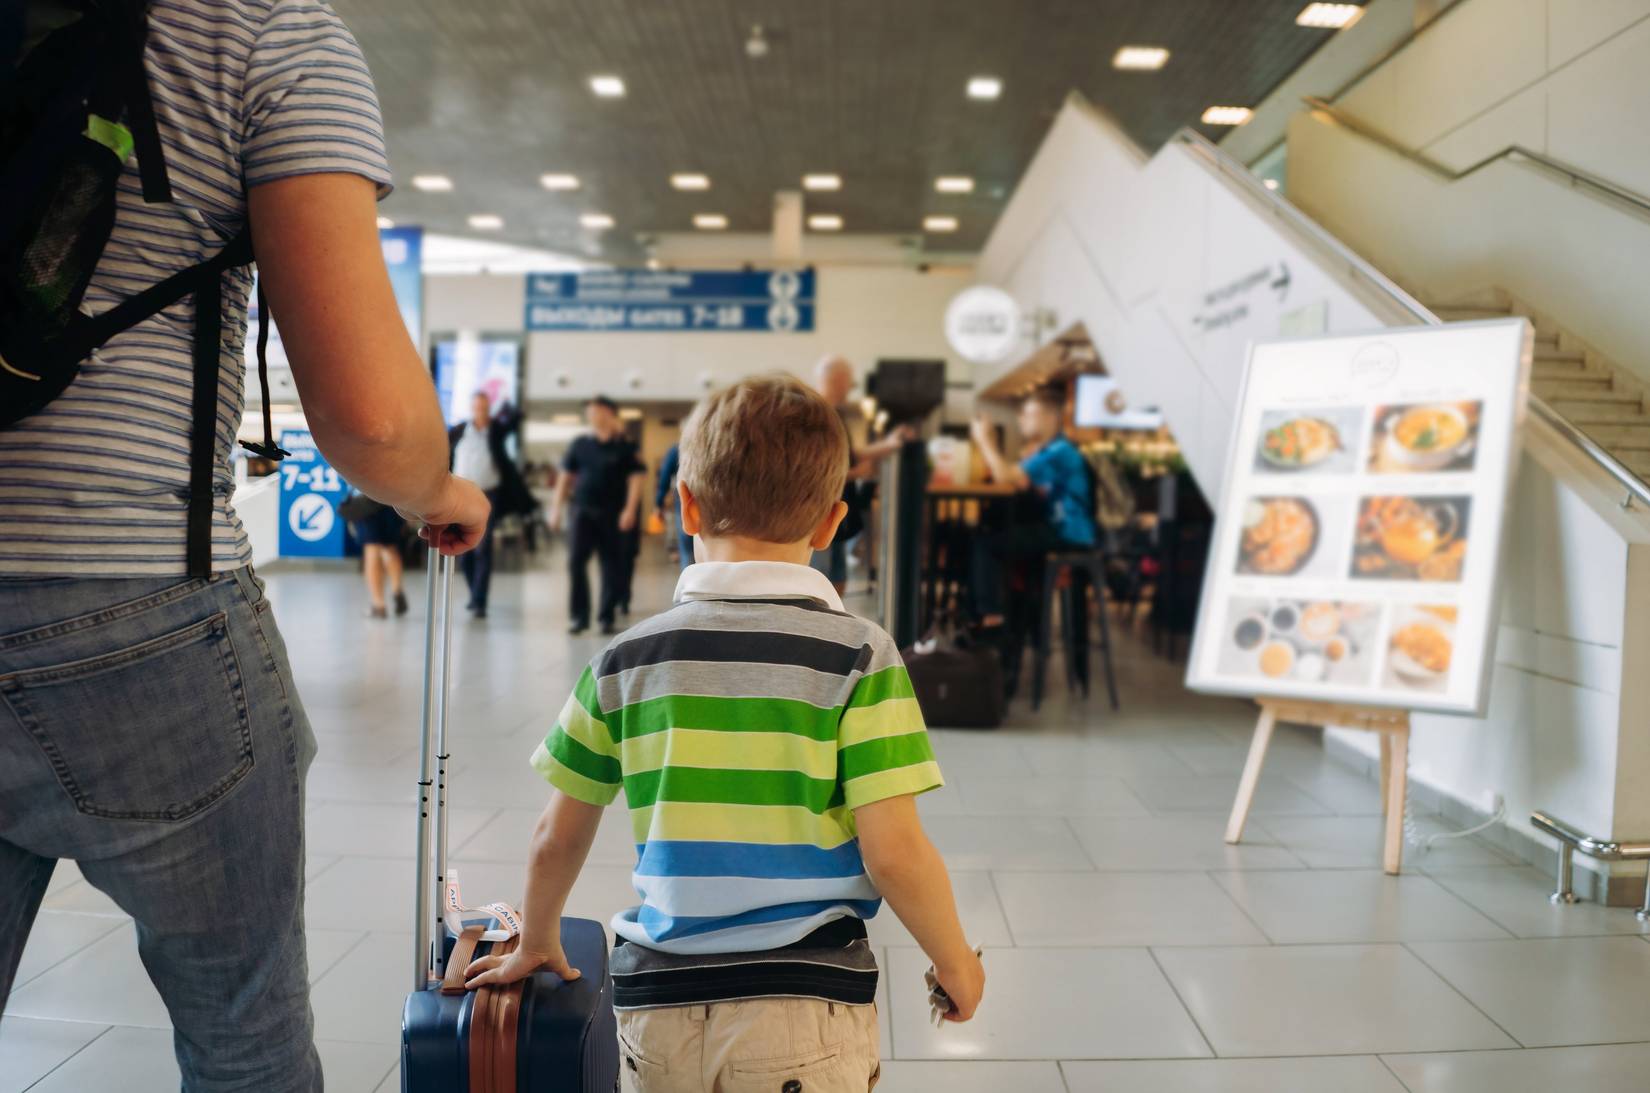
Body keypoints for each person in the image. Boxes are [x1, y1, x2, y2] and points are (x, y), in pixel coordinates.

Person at [0, 4, 488, 1090]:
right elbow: (368, 417)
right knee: (241, 1035)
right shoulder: (259, 32)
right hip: (134, 596)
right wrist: (442, 486)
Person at [463, 375, 985, 1090]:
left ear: (685, 504)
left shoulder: (625, 659)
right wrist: (955, 960)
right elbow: (894, 850)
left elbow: (556, 833)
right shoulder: (862, 656)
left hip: (660, 1008)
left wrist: (541, 935)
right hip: (805, 1006)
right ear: (832, 522)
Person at [967, 386, 1099, 628]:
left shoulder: (1059, 451)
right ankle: (1007, 622)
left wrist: (984, 440)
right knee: (986, 535)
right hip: (1058, 529)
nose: (1021, 419)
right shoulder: (1050, 450)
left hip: (1067, 532)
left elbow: (1005, 476)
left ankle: (992, 620)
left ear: (1050, 417)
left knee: (987, 543)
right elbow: (1014, 480)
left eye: (1028, 413)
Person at [813, 355, 914, 594]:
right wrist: (855, 473)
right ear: (837, 380)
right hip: (819, 506)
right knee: (822, 573)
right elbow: (816, 469)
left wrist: (887, 445)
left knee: (837, 569)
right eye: (849, 383)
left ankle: (835, 619)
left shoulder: (833, 414)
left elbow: (849, 453)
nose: (849, 390)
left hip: (835, 505)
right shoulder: (817, 414)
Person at [548, 396, 644, 635]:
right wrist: (556, 508)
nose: (591, 415)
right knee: (576, 561)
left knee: (610, 563)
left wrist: (630, 509)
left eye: (596, 410)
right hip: (582, 510)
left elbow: (636, 479)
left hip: (613, 513)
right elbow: (565, 478)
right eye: (589, 411)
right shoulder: (580, 444)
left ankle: (606, 616)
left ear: (610, 413)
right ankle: (579, 617)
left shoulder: (625, 445)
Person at [448, 391, 525, 619]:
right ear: (472, 408)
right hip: (461, 495)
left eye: (483, 407)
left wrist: (507, 406)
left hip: (488, 495)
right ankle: (474, 594)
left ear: (488, 408)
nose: (479, 411)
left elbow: (517, 418)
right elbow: (443, 453)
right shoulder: (460, 430)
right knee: (464, 549)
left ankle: (480, 600)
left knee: (483, 547)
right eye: (476, 407)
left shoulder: (497, 430)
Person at [347, 495, 409, 618]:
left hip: (368, 499)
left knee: (372, 547)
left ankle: (378, 604)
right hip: (392, 498)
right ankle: (397, 589)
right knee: (389, 546)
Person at [654, 442, 695, 569]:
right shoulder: (712, 444)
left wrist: (658, 504)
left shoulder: (677, 450)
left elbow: (664, 478)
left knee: (687, 548)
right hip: (712, 504)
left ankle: (690, 586)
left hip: (686, 503)